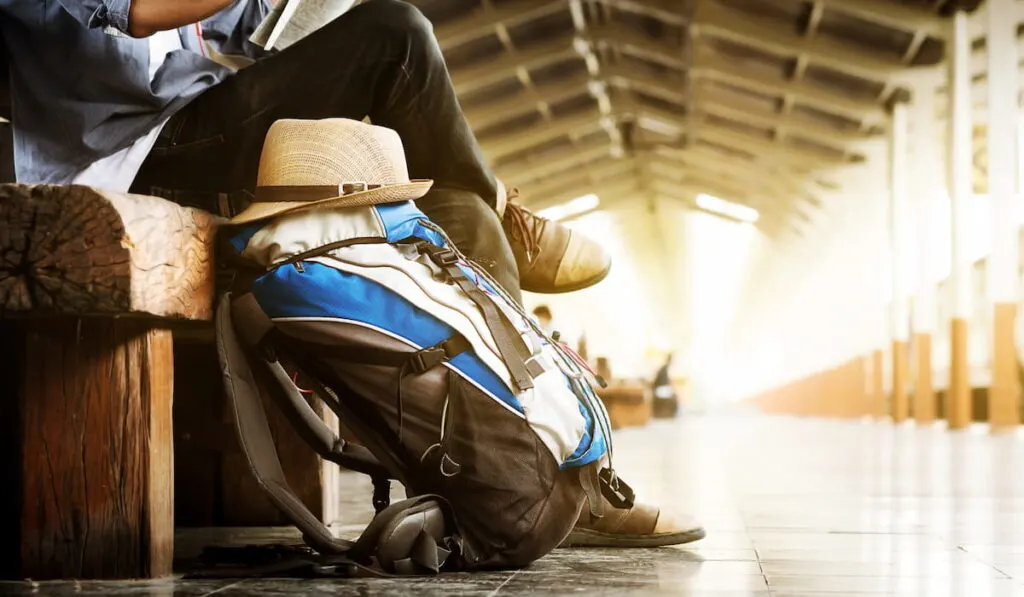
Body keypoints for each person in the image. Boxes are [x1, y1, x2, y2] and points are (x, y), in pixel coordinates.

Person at [0, 0, 702, 548]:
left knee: (456, 211)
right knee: (397, 33)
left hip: (201, 125)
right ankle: (505, 212)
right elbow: (140, 11)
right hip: (132, 157)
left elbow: (260, 31)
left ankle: (543, 469)